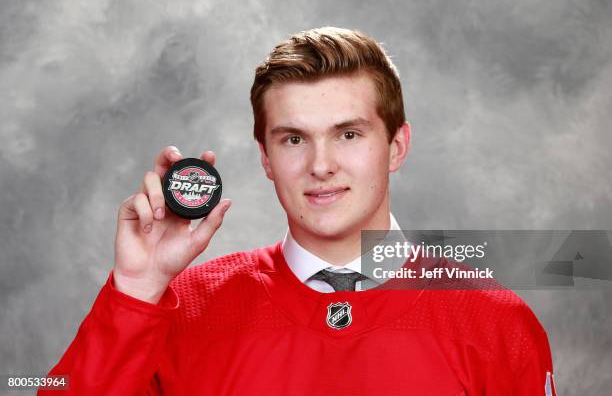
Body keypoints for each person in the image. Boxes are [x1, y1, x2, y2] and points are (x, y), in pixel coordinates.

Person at [39, 27, 556, 395]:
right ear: (266, 157)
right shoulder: (180, 311)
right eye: (293, 139)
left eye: (348, 134)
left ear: (397, 146)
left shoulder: (496, 322)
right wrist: (135, 291)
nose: (321, 165)